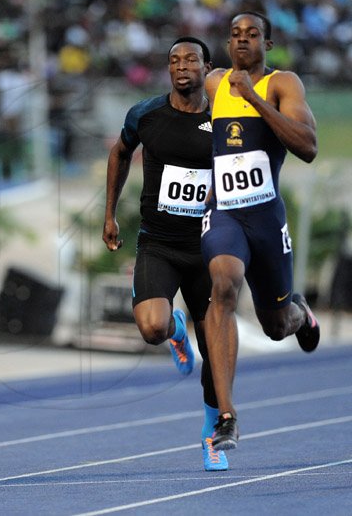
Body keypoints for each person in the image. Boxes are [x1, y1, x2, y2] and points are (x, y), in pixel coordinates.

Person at [103, 37, 229, 471]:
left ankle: (211, 436)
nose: (181, 66)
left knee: (216, 352)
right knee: (152, 329)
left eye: (190, 59)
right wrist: (110, 215)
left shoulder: (225, 116)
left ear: (207, 67)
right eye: (174, 60)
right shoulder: (146, 114)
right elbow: (120, 152)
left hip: (211, 247)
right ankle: (176, 327)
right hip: (158, 243)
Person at [201, 12, 320, 450]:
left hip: (267, 217)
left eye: (252, 35)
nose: (242, 41)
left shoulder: (282, 84)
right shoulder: (214, 83)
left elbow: (307, 146)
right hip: (225, 214)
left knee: (274, 325)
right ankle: (227, 416)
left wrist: (253, 98)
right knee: (224, 285)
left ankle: (299, 312)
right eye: (235, 35)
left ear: (267, 44)